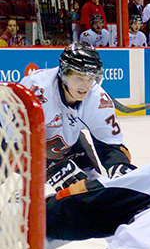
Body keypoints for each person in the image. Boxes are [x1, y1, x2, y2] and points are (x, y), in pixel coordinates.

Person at [18, 43, 135, 191]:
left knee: (91, 184)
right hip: (24, 147)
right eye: (79, 78)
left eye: (90, 78)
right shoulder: (38, 92)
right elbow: (13, 142)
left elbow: (110, 145)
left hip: (67, 144)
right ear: (64, 73)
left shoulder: (97, 98)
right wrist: (48, 173)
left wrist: (119, 167)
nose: (85, 86)